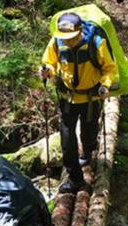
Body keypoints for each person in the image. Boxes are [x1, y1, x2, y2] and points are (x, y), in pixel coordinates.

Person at [40, 12, 119, 193]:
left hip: (91, 99)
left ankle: (88, 152)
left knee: (89, 133)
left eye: (72, 37)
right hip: (67, 98)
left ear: (80, 31)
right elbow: (49, 62)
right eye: (65, 38)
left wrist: (105, 85)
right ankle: (75, 178)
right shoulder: (57, 42)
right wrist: (47, 71)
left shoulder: (96, 43)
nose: (68, 41)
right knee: (67, 139)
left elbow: (110, 69)